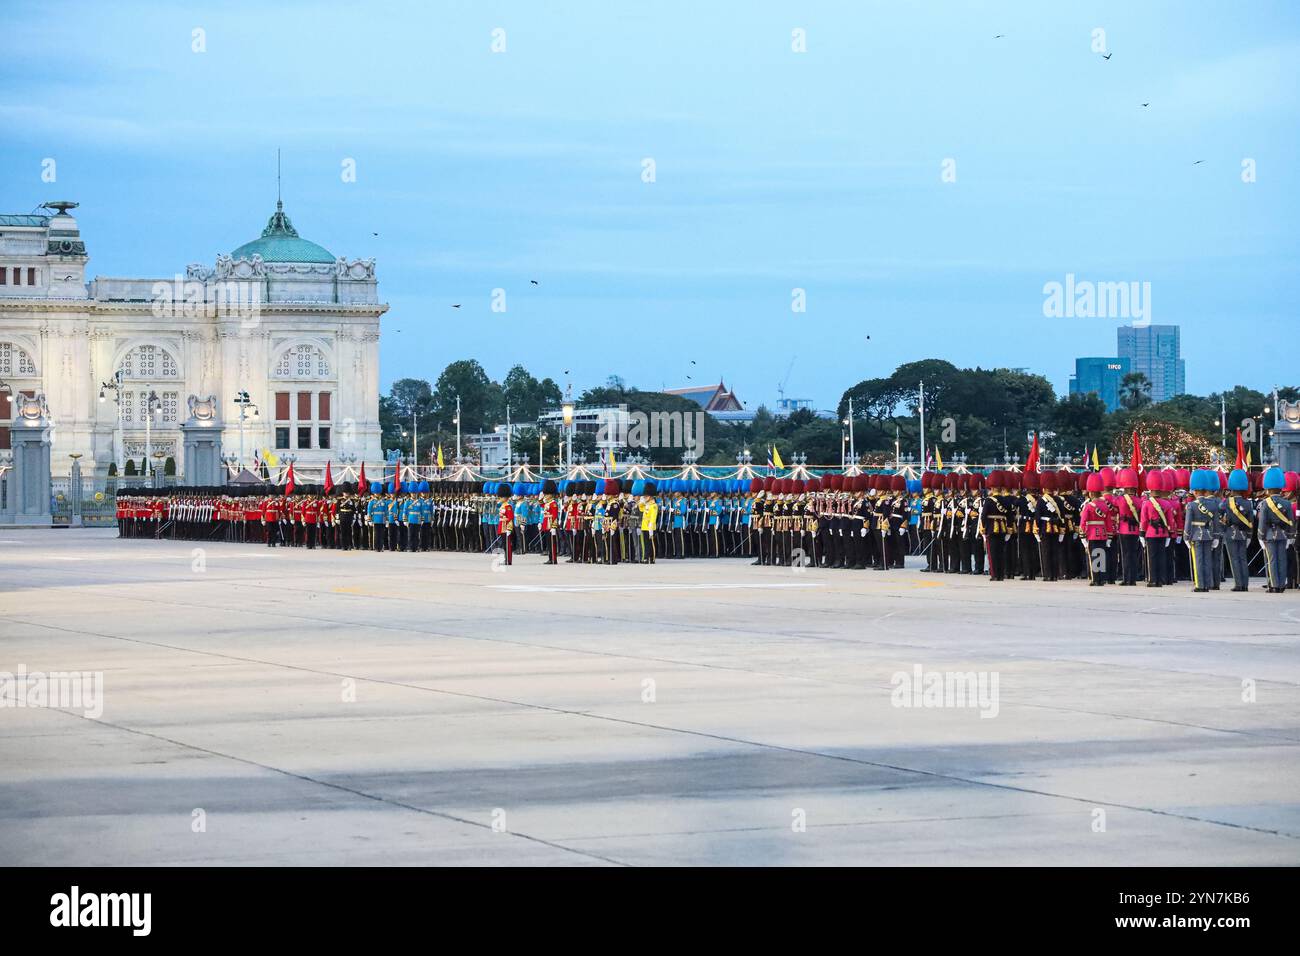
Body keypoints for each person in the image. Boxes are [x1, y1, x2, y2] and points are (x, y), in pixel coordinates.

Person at [1258, 466, 1295, 593]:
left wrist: (1261, 536)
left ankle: (1274, 585)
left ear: (1267, 489)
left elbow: (1262, 522)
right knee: (1282, 559)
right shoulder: (1287, 503)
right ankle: (1281, 585)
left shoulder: (1265, 503)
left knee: (1272, 560)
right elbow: (1291, 522)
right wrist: (1290, 536)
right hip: (1283, 535)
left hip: (1269, 534)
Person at [1184, 469, 1221, 592]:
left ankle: (1200, 585)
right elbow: (1215, 523)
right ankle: (1207, 584)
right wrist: (1216, 536)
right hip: (1209, 535)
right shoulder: (1212, 504)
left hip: (1196, 535)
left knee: (1198, 561)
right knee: (1207, 561)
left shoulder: (1192, 505)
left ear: (1194, 491)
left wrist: (1186, 536)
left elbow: (1188, 523)